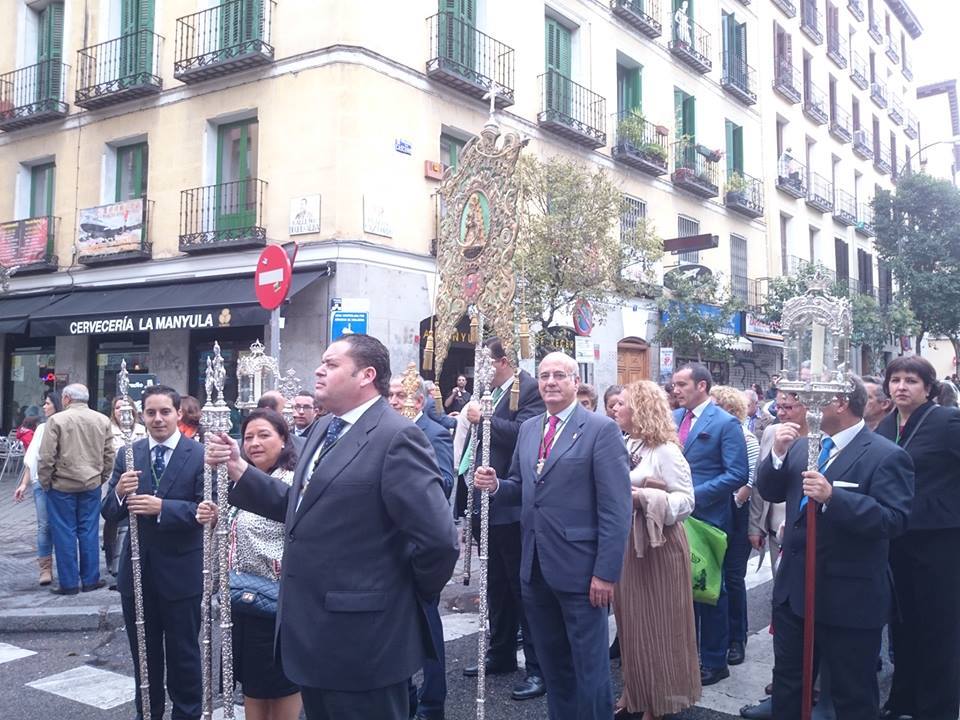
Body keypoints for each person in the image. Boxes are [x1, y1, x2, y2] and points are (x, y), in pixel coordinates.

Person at [206, 334, 459, 720]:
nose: (319, 371)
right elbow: (302, 507)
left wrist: (404, 592)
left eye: (331, 364)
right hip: (312, 634)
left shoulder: (396, 436)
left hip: (365, 638)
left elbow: (438, 540)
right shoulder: (324, 428)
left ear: (366, 375)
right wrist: (240, 470)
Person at [474, 351, 632, 720]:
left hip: (582, 571)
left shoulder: (600, 430)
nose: (550, 382)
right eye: (544, 375)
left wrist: (606, 573)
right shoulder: (530, 429)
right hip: (534, 567)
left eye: (559, 375)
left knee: (589, 669)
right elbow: (521, 486)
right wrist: (496, 485)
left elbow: (616, 508)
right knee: (553, 665)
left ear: (575, 382)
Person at [756, 375, 913, 720]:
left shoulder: (886, 455)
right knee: (788, 685)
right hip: (794, 594)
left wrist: (834, 498)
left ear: (840, 403)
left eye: (815, 398)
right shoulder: (802, 446)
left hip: (849, 598)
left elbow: (894, 520)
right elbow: (771, 491)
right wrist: (777, 456)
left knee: (852, 694)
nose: (803, 405)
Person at [102, 385, 205, 720]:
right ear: (141, 416)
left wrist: (164, 508)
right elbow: (109, 512)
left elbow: (208, 510)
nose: (158, 419)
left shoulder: (198, 454)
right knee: (144, 658)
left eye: (165, 412)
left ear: (178, 413)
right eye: (150, 412)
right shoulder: (128, 454)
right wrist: (119, 492)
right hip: (138, 573)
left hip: (181, 574)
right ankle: (148, 713)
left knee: (183, 655)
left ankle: (186, 714)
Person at [197, 409, 302, 720]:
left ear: (283, 439)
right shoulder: (237, 483)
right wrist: (216, 519)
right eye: (248, 437)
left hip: (278, 607)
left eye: (264, 435)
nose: (254, 443)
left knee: (281, 687)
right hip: (243, 603)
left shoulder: (293, 483)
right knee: (252, 688)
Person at [457, 337, 546, 701]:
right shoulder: (490, 393)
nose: (480, 373)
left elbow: (526, 433)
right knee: (495, 586)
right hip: (485, 501)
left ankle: (538, 667)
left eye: (485, 365)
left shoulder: (528, 389)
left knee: (522, 588)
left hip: (511, 501)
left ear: (503, 361)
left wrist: (485, 418)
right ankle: (501, 651)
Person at [877, 357, 960, 720]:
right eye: (895, 379)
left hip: (938, 540)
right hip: (897, 537)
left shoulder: (947, 421)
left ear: (928, 387)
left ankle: (938, 708)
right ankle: (903, 701)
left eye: (911, 380)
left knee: (938, 627)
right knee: (903, 624)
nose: (901, 386)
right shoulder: (885, 424)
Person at [612, 381, 701, 720]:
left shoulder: (665, 450)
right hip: (628, 543)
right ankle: (634, 692)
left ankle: (659, 703)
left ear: (641, 410)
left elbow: (686, 501)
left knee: (661, 625)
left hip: (659, 546)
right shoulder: (626, 442)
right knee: (632, 623)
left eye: (622, 403)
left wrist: (645, 498)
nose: (615, 408)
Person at [670, 364, 748, 685]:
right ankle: (688, 655)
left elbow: (737, 473)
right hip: (674, 516)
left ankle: (715, 660)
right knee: (681, 590)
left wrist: (693, 496)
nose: (675, 390)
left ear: (701, 386)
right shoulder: (674, 418)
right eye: (674, 384)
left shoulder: (725, 423)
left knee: (710, 588)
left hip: (707, 517)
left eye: (681, 384)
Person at [386, 374, 453, 720]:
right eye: (391, 394)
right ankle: (406, 695)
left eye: (402, 395)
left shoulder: (434, 432)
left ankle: (432, 701)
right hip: (389, 547)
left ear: (421, 400)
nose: (394, 401)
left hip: (420, 545)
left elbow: (444, 482)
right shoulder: (386, 431)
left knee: (426, 624)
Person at [37, 384, 115, 595]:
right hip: (91, 484)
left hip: (61, 485)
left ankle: (69, 583)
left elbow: (46, 456)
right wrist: (101, 478)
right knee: (89, 531)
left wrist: (45, 482)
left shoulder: (57, 420)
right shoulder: (102, 420)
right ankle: (90, 580)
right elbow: (109, 454)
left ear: (67, 398)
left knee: (64, 533)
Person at [709, 385, 761, 667]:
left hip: (736, 515)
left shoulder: (746, 437)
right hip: (715, 511)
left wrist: (730, 501)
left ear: (729, 409)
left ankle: (736, 638)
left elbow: (749, 481)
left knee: (732, 577)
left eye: (715, 405)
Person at [13, 391, 61, 586]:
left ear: (57, 405)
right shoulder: (42, 428)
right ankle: (45, 568)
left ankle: (66, 565)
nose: (44, 407)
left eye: (48, 403)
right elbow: (32, 459)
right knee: (44, 525)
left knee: (62, 525)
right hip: (41, 482)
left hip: (63, 482)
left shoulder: (66, 424)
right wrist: (24, 484)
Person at [104, 395, 147, 580]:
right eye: (118, 408)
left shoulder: (142, 430)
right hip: (114, 476)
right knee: (113, 517)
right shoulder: (108, 429)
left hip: (138, 477)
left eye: (126, 408)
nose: (122, 412)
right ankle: (112, 557)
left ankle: (125, 558)